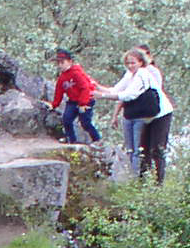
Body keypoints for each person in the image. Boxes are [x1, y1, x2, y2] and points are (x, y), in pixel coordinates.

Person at [99, 46, 175, 183]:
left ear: (141, 62)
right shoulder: (130, 74)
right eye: (127, 63)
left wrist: (102, 96)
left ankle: (158, 183)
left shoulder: (144, 74)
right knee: (143, 148)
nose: (130, 66)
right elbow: (117, 89)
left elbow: (129, 94)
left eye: (133, 63)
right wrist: (94, 87)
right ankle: (142, 180)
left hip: (159, 114)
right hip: (144, 115)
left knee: (157, 148)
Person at [50, 48, 102, 145]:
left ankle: (97, 140)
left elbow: (85, 88)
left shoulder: (77, 73)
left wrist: (83, 103)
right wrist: (54, 105)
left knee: (85, 122)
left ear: (70, 61)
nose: (60, 65)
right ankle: (71, 139)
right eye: (58, 63)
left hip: (86, 101)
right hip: (73, 101)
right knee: (67, 119)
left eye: (62, 62)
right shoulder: (62, 77)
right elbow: (59, 91)